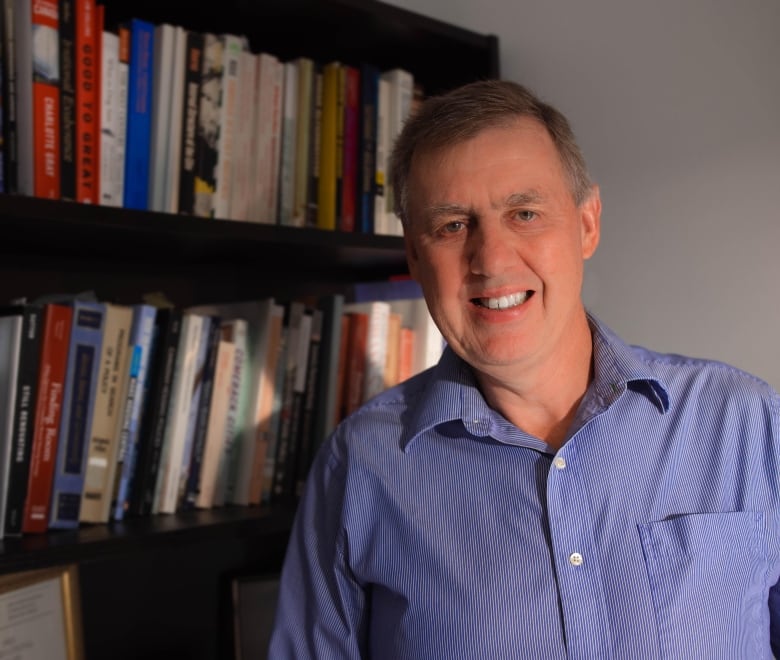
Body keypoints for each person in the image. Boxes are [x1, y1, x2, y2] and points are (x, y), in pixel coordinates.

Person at [269, 79, 780, 658]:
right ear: (414, 255)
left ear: (587, 225)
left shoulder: (745, 422)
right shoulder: (361, 464)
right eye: (452, 226)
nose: (491, 259)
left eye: (525, 212)